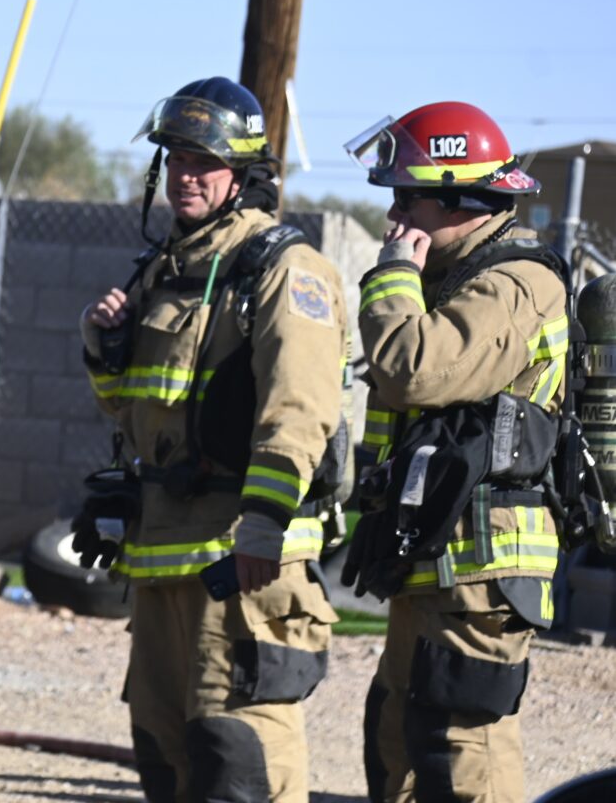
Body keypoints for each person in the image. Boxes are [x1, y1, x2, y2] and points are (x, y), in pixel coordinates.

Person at [73, 76, 348, 803]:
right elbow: (131, 414)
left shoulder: (283, 268)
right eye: (176, 159)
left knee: (241, 759)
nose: (185, 176)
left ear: (243, 173)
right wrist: (104, 349)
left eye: (204, 162)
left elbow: (301, 407)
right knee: (166, 756)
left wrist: (264, 519)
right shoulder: (163, 270)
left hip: (242, 558)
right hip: (162, 555)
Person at [342, 102, 568, 803]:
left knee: (462, 756)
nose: (394, 216)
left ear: (459, 198)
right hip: (434, 555)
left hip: (481, 571)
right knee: (396, 743)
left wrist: (390, 278)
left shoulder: (514, 283)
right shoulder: (452, 279)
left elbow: (413, 369)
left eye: (407, 199)